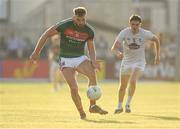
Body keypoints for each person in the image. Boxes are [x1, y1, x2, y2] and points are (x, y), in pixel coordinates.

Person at [29, 7, 108, 119]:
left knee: (92, 74)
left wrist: (93, 61)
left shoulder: (89, 30)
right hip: (66, 59)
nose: (81, 22)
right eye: (79, 20)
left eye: (83, 20)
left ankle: (92, 105)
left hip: (80, 58)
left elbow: (91, 48)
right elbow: (46, 35)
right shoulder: (64, 25)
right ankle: (81, 113)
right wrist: (36, 52)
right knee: (74, 88)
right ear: (74, 17)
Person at [111, 14, 160, 114]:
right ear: (130, 24)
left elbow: (156, 40)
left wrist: (157, 55)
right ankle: (119, 106)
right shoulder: (124, 32)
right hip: (126, 62)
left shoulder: (145, 33)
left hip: (139, 62)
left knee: (133, 80)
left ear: (140, 25)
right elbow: (114, 48)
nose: (134, 26)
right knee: (122, 86)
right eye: (133, 24)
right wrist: (118, 53)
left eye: (137, 25)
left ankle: (128, 105)